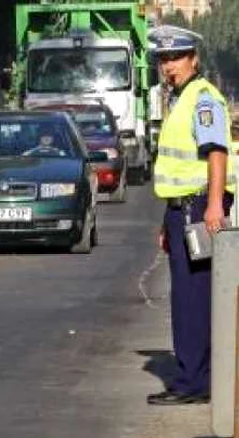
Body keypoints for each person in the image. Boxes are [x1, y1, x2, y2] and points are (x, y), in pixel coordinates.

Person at [147, 25, 237, 406]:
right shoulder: (182, 99)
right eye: (163, 59)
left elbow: (216, 152)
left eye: (176, 57)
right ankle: (196, 375)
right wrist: (167, 220)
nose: (169, 66)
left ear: (194, 59)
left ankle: (194, 382)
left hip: (200, 207)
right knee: (188, 295)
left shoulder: (202, 99)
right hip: (183, 209)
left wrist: (214, 205)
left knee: (194, 297)